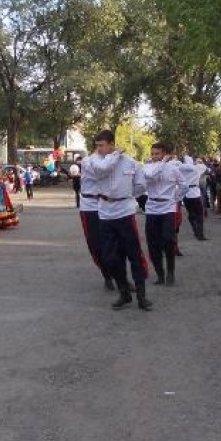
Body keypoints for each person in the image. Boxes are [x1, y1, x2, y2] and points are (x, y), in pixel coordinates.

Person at [89, 130, 150, 311]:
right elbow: (102, 169)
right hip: (105, 212)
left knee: (134, 255)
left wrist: (128, 197)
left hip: (124, 212)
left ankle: (141, 296)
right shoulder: (95, 161)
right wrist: (114, 155)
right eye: (97, 145)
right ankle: (124, 292)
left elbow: (141, 185)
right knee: (110, 257)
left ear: (111, 143)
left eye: (101, 145)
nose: (98, 149)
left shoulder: (131, 162)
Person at [144, 142, 188, 286]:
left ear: (164, 154)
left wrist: (176, 198)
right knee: (153, 243)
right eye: (153, 153)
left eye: (157, 153)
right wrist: (162, 162)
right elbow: (151, 175)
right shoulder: (148, 167)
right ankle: (160, 274)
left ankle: (170, 272)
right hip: (152, 208)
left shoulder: (173, 169)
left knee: (168, 240)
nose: (154, 156)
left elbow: (184, 185)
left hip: (168, 208)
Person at [79, 151, 115, 290]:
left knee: (113, 243)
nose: (102, 148)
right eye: (99, 145)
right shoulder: (88, 161)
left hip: (107, 205)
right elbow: (100, 173)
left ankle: (119, 276)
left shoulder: (111, 160)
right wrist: (115, 156)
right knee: (95, 244)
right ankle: (106, 275)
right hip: (89, 206)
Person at [180, 154, 207, 241]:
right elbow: (204, 166)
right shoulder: (197, 168)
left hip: (186, 194)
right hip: (195, 193)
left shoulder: (181, 168)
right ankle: (200, 234)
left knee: (191, 214)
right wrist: (198, 162)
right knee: (199, 214)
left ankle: (195, 231)